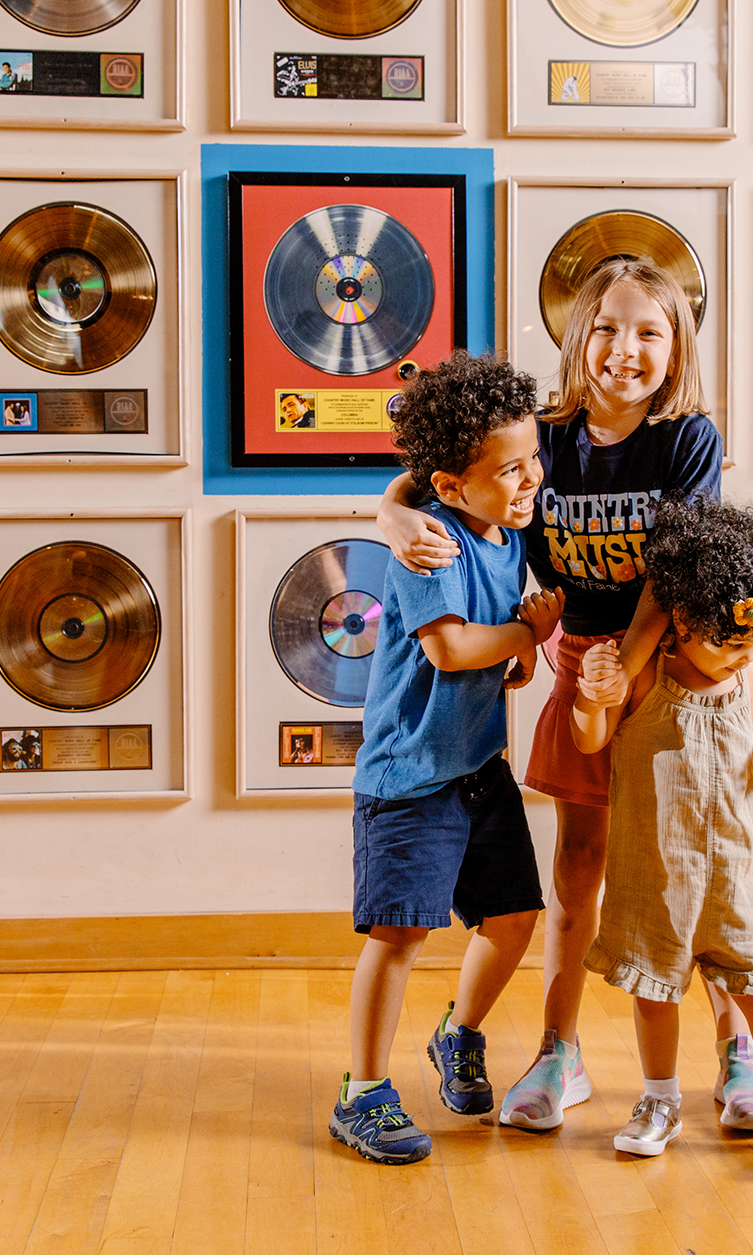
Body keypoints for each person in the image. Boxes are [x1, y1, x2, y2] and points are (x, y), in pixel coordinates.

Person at [375, 257, 753, 1135]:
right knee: (577, 866)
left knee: (701, 868)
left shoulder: (687, 439)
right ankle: (560, 1048)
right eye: (605, 326)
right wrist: (389, 513)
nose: (623, 348)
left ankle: (736, 1049)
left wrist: (627, 667)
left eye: (648, 331)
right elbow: (436, 473)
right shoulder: (544, 435)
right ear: (575, 335)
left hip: (663, 669)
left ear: (676, 349)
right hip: (580, 666)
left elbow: (678, 570)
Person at [330, 352, 565, 1166]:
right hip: (412, 778)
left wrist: (524, 653)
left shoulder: (506, 538)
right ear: (452, 487)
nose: (532, 477)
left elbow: (502, 661)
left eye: (534, 457)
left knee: (514, 917)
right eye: (510, 469)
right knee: (399, 934)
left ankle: (457, 1033)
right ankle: (362, 1092)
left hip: (477, 769)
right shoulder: (429, 542)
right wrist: (531, 634)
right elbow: (456, 647)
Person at [571, 496, 753, 1160]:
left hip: (733, 869)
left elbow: (735, 738)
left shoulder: (737, 679)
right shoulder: (645, 679)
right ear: (681, 622)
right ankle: (660, 1096)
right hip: (658, 871)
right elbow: (592, 738)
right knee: (656, 986)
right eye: (734, 643)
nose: (745, 659)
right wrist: (590, 697)